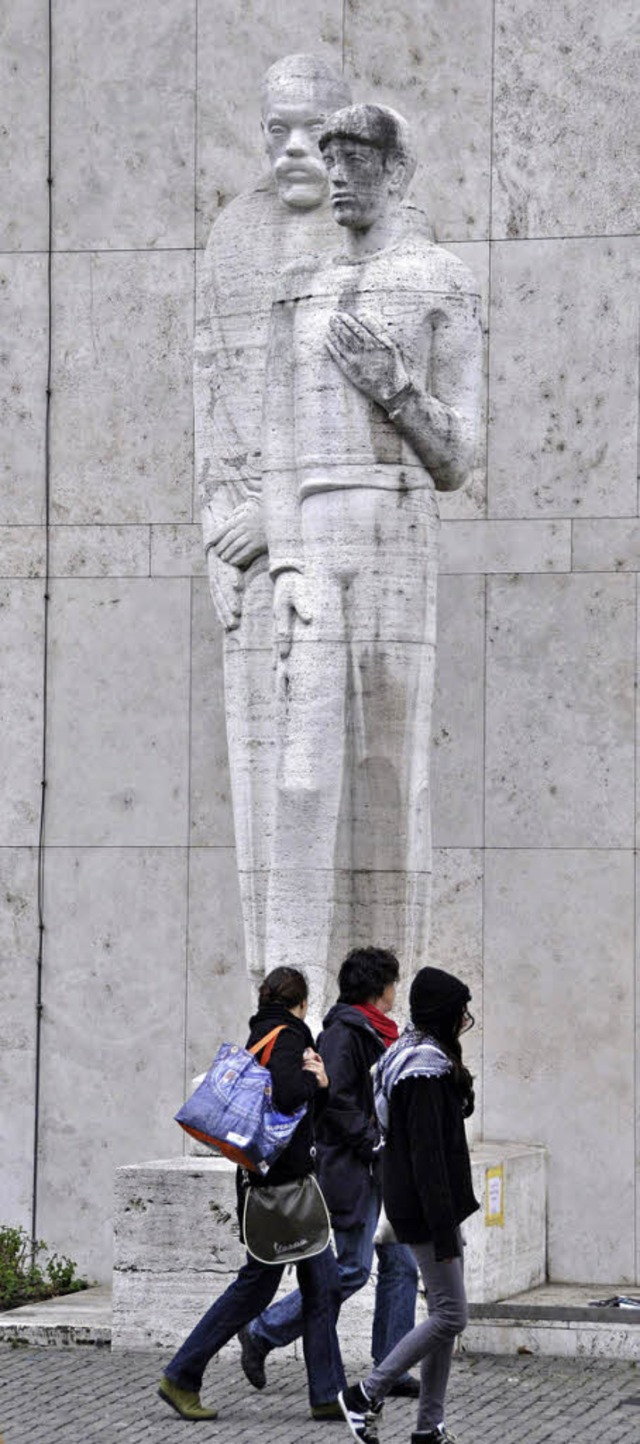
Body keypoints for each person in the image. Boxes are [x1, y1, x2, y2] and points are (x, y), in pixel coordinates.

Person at [261, 104, 482, 1021]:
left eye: (354, 158)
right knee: (303, 773)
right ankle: (277, 1019)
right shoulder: (302, 282)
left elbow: (460, 455)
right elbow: (278, 443)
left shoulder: (440, 279)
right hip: (316, 537)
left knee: (390, 774)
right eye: (329, 157)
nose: (334, 173)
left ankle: (384, 1018)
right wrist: (282, 567)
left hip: (396, 530)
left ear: (397, 171)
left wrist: (395, 386)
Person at [196, 55, 353, 994]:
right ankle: (274, 1005)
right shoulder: (233, 237)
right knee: (264, 782)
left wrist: (282, 516)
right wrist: (226, 521)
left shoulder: (372, 238)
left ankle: (343, 1008)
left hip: (333, 543)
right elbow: (211, 396)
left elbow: (358, 419)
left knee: (320, 777)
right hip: (245, 552)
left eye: (312, 127)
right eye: (277, 128)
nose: (293, 146)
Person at [158, 966, 345, 1422]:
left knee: (309, 1285)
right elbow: (285, 1098)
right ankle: (182, 1375)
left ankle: (327, 1392)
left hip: (265, 1183)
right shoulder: (288, 1037)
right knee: (290, 1288)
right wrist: (317, 1080)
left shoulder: (259, 1035)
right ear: (301, 1003)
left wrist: (314, 1089)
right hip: (285, 1190)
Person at [239, 947, 420, 1412]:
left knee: (401, 1263)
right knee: (353, 1269)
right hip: (355, 1169)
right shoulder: (343, 1033)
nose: (396, 992)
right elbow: (335, 1102)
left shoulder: (383, 1033)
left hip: (387, 1168)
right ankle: (263, 1331)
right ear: (379, 988)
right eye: (393, 983)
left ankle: (391, 1366)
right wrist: (371, 1142)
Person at [338, 966, 480, 1444]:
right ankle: (365, 1394)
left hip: (432, 1207)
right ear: (444, 1013)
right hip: (424, 1210)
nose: (465, 1019)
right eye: (461, 1011)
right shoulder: (421, 1070)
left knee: (443, 1314)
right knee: (452, 1315)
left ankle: (428, 1427)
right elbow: (427, 1158)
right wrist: (442, 1230)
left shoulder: (424, 1058)